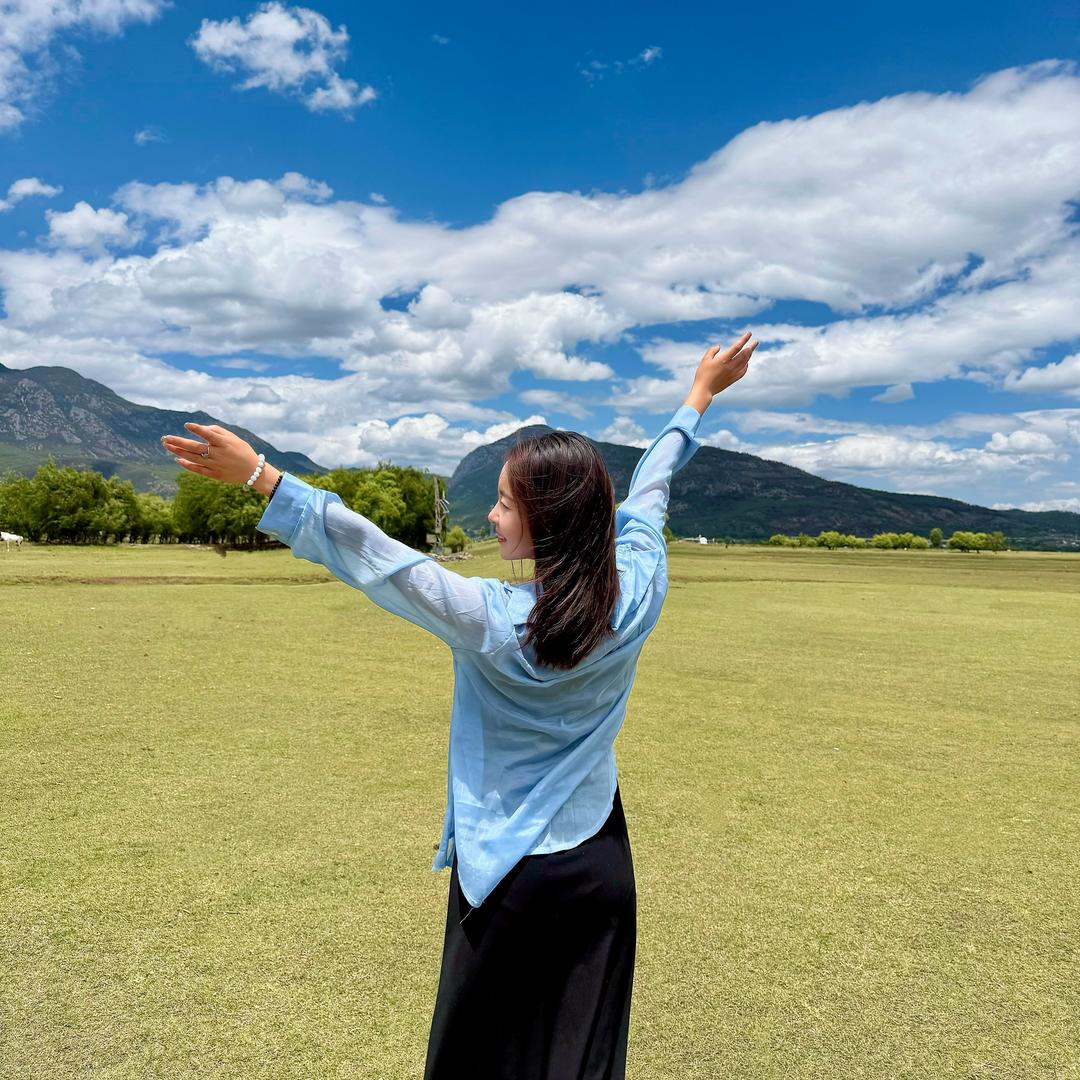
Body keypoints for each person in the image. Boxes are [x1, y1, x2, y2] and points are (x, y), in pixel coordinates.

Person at [161, 331, 759, 1079]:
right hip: (599, 866)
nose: (494, 517)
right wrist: (699, 396)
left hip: (506, 878)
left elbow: (379, 558)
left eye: (507, 504)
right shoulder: (638, 589)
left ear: (548, 519)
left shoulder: (491, 618)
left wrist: (260, 477)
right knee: (582, 1060)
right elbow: (652, 489)